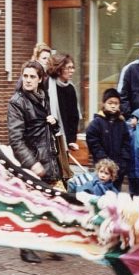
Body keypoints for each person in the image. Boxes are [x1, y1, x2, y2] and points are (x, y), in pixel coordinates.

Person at [7, 60, 62, 264]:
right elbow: (16, 139)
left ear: (40, 80)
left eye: (32, 77)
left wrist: (53, 124)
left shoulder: (42, 97)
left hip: (47, 157)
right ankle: (26, 248)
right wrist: (31, 163)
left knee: (48, 203)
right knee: (29, 206)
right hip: (31, 162)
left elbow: (46, 129)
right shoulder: (17, 102)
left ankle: (48, 243)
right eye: (25, 76)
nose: (28, 80)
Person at [85, 88, 131, 191]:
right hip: (103, 170)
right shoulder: (96, 123)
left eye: (116, 103)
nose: (113, 106)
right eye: (110, 103)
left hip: (118, 170)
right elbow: (94, 145)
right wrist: (105, 162)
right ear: (104, 103)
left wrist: (123, 164)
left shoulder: (121, 123)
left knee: (115, 196)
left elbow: (126, 144)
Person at [46, 53, 81, 182]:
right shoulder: (46, 86)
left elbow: (74, 117)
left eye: (73, 67)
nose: (72, 71)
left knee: (63, 175)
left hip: (63, 140)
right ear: (59, 68)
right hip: (48, 140)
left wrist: (72, 139)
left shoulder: (71, 88)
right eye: (68, 67)